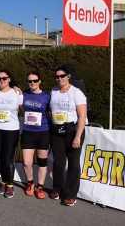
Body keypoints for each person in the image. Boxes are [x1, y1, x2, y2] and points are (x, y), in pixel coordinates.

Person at [49, 66, 87, 206]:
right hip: (57, 131)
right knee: (58, 162)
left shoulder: (76, 93)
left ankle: (70, 195)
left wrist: (78, 136)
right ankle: (57, 188)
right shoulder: (53, 90)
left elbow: (82, 116)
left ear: (68, 76)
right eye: (57, 76)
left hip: (73, 131)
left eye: (62, 76)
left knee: (73, 164)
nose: (59, 79)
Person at [0, 69, 23, 198]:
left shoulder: (16, 93)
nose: (2, 81)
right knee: (0, 157)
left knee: (7, 158)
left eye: (4, 78)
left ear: (9, 79)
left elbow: (25, 109)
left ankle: (10, 185)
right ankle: (4, 182)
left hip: (11, 129)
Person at [21, 71, 51, 199]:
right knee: (27, 163)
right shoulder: (24, 93)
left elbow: (50, 111)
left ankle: (40, 187)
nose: (32, 83)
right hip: (28, 131)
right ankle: (30, 184)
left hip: (43, 131)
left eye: (35, 81)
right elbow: (21, 106)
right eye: (30, 81)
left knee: (42, 162)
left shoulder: (47, 96)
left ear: (40, 81)